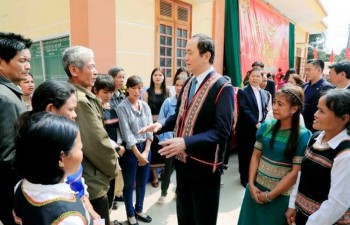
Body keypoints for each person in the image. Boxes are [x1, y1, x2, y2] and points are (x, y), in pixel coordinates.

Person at [139, 34, 234, 225]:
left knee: (203, 218)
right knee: (184, 215)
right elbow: (180, 115)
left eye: (190, 53)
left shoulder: (222, 87)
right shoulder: (189, 82)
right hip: (183, 165)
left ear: (206, 56)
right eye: (186, 53)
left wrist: (185, 142)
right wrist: (161, 124)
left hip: (205, 168)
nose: (186, 57)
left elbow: (222, 131)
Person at [237, 85, 311, 225]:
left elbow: (295, 172)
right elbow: (255, 157)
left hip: (280, 196)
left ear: (294, 109)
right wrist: (251, 184)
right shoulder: (266, 127)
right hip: (256, 190)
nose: (274, 107)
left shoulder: (302, 135)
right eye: (274, 102)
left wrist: (270, 196)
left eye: (280, 104)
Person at [62, 46, 120, 225]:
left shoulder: (83, 96)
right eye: (91, 66)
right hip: (92, 181)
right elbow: (97, 143)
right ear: (74, 70)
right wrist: (115, 169)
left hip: (92, 177)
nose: (96, 72)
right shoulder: (79, 100)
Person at [30, 79, 100, 220]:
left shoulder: (66, 135)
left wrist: (88, 205)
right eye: (71, 109)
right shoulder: (40, 149)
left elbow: (77, 180)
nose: (75, 115)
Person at [13, 112, 93, 224]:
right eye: (80, 148)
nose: (82, 153)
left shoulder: (21, 186)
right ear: (61, 159)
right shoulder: (69, 218)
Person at [286, 89, 350, 225]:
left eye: (322, 111)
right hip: (302, 214)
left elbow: (337, 204)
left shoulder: (345, 154)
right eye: (317, 109)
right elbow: (301, 175)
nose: (315, 115)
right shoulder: (315, 138)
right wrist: (292, 204)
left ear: (344, 119)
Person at [0, 32, 32, 225]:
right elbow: (7, 156)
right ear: (2, 62)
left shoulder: (9, 91)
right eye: (22, 60)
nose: (27, 66)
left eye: (28, 60)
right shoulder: (4, 97)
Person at [116, 75, 153, 225]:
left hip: (146, 148)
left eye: (140, 88)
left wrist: (146, 151)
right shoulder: (122, 107)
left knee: (143, 182)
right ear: (128, 88)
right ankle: (130, 214)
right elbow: (127, 133)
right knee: (130, 184)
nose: (137, 91)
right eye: (134, 88)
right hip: (131, 151)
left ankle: (139, 209)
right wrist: (139, 154)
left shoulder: (145, 106)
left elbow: (150, 129)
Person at [92, 74, 125, 219]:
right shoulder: (93, 108)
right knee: (101, 196)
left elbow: (117, 128)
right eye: (105, 92)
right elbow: (98, 134)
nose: (109, 95)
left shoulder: (113, 107)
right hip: (102, 153)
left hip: (115, 151)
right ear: (95, 91)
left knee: (112, 187)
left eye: (111, 92)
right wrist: (115, 147)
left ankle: (109, 216)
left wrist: (119, 144)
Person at [156, 69, 189, 205]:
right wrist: (163, 141)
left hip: (184, 143)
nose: (179, 88)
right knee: (167, 170)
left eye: (182, 85)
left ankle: (178, 193)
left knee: (183, 171)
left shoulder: (189, 103)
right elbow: (161, 121)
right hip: (169, 143)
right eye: (177, 85)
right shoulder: (168, 102)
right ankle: (163, 193)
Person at [236, 67, 270, 187]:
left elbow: (265, 109)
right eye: (253, 76)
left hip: (260, 127)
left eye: (258, 76)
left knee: (256, 154)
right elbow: (245, 110)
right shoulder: (243, 92)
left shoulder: (263, 93)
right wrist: (256, 123)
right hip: (246, 129)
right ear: (248, 77)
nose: (255, 78)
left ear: (261, 78)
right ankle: (244, 178)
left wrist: (264, 123)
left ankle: (253, 176)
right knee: (245, 155)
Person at [142, 67, 169, 188]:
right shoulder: (147, 93)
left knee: (165, 150)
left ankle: (164, 173)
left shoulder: (168, 92)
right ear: (152, 77)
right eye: (155, 75)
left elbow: (171, 110)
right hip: (151, 126)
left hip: (164, 125)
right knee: (154, 151)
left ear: (164, 77)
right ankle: (154, 175)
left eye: (160, 75)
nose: (158, 77)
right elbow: (144, 111)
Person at [108, 66, 126, 209]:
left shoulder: (122, 95)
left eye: (123, 77)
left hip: (121, 136)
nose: (121, 80)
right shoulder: (107, 95)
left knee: (120, 169)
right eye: (119, 77)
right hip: (111, 136)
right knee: (111, 169)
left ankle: (117, 194)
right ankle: (110, 198)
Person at [302, 59, 333, 133]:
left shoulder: (327, 88)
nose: (306, 72)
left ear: (319, 70)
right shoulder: (304, 86)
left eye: (309, 70)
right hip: (301, 126)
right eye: (305, 70)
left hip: (315, 129)